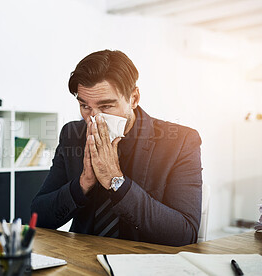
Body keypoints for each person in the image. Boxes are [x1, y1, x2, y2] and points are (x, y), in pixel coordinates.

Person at [31, 50, 202, 246]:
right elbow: (38, 216)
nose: (94, 119)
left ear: (134, 98)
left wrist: (115, 180)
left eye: (106, 107)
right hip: (83, 258)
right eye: (85, 106)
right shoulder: (72, 135)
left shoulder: (180, 141)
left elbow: (185, 234)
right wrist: (83, 184)